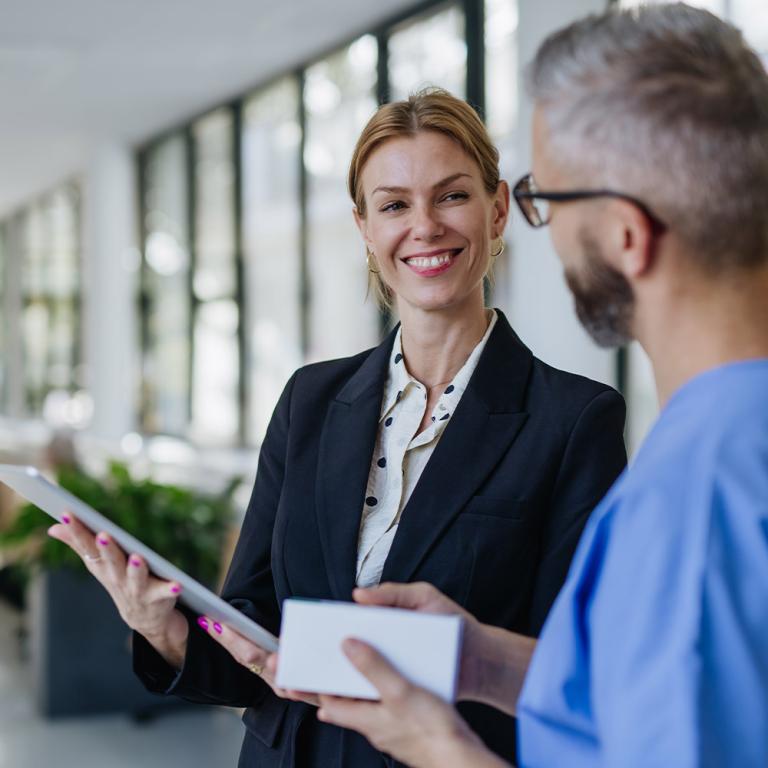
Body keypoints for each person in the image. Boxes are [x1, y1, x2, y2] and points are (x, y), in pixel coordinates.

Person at [48, 89, 627, 767]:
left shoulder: (574, 420)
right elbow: (250, 629)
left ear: (498, 209)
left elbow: (571, 670)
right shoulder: (311, 400)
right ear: (364, 227)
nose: (425, 226)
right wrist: (165, 628)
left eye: (451, 196)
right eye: (393, 205)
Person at [311, 4, 768, 767]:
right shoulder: (727, 445)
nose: (540, 229)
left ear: (626, 233)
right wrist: (485, 661)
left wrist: (441, 748)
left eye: (543, 200)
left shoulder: (689, 502)